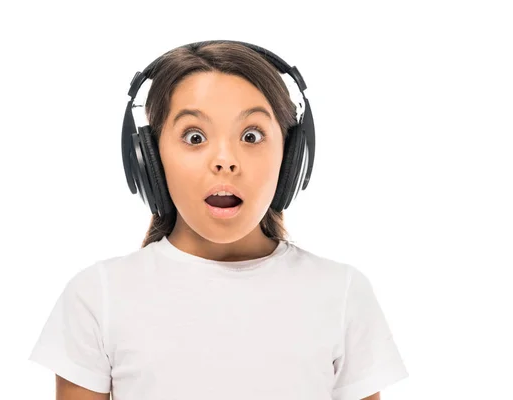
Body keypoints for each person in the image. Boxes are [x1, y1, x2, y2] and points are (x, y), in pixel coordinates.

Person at [28, 40, 409, 400]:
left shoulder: (342, 293)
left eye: (251, 134)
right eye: (194, 137)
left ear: (291, 155)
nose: (224, 160)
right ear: (151, 158)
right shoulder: (98, 296)